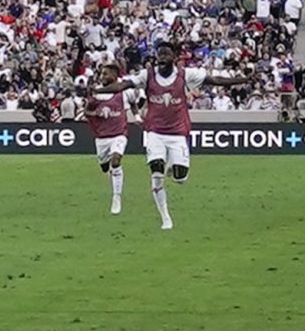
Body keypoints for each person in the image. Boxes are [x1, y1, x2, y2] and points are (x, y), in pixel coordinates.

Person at [96, 43, 252, 229]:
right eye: (159, 55)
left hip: (178, 133)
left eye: (166, 54)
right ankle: (165, 218)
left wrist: (243, 80)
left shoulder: (185, 75)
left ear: (174, 57)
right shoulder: (148, 75)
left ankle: (172, 166)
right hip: (155, 132)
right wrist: (97, 91)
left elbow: (215, 80)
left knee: (180, 178)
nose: (161, 58)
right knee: (156, 173)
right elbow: (124, 85)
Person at [81, 66, 131, 215]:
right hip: (102, 137)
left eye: (105, 74)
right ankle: (107, 168)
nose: (102, 76)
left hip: (119, 133)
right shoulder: (97, 94)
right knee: (104, 166)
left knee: (116, 161)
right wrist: (94, 112)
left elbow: (134, 102)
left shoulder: (123, 92)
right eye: (101, 73)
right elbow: (86, 111)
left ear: (114, 76)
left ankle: (116, 197)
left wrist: (137, 116)